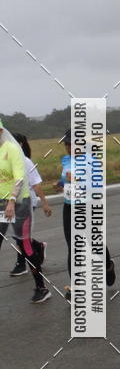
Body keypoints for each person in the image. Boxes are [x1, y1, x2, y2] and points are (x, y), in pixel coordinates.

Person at [56, 129, 116, 302]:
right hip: (69, 207)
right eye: (66, 145)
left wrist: (77, 181)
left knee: (95, 244)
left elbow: (97, 187)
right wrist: (60, 184)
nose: (68, 148)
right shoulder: (67, 161)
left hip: (88, 207)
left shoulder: (91, 161)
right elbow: (65, 179)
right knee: (73, 247)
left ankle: (108, 266)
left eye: (71, 144)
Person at [0, 120, 50, 302]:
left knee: (24, 245)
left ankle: (41, 287)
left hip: (19, 204)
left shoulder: (13, 150)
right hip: (1, 204)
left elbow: (20, 178)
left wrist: (12, 201)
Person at [9, 133, 52, 276]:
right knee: (18, 236)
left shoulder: (26, 162)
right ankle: (38, 246)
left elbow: (36, 185)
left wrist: (45, 204)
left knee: (20, 236)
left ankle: (22, 264)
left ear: (20, 144)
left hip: (27, 203)